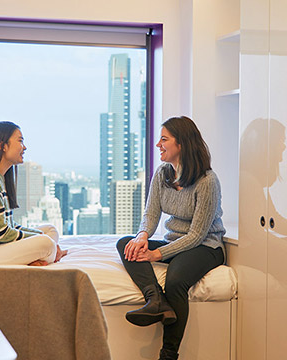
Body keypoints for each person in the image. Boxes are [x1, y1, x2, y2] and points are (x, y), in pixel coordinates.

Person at [116, 116, 226, 360]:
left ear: (182, 144)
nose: (158, 144)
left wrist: (157, 254)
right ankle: (155, 300)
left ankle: (168, 355)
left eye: (164, 139)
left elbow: (197, 234)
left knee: (176, 280)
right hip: (174, 242)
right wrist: (142, 237)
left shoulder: (207, 181)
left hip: (206, 247)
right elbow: (151, 213)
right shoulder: (163, 174)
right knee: (126, 244)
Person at [0, 121, 66, 265]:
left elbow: (10, 226)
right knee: (47, 243)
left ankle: (35, 258)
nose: (24, 147)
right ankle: (38, 257)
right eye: (20, 141)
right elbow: (2, 233)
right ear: (2, 146)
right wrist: (41, 239)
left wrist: (40, 236)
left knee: (51, 231)